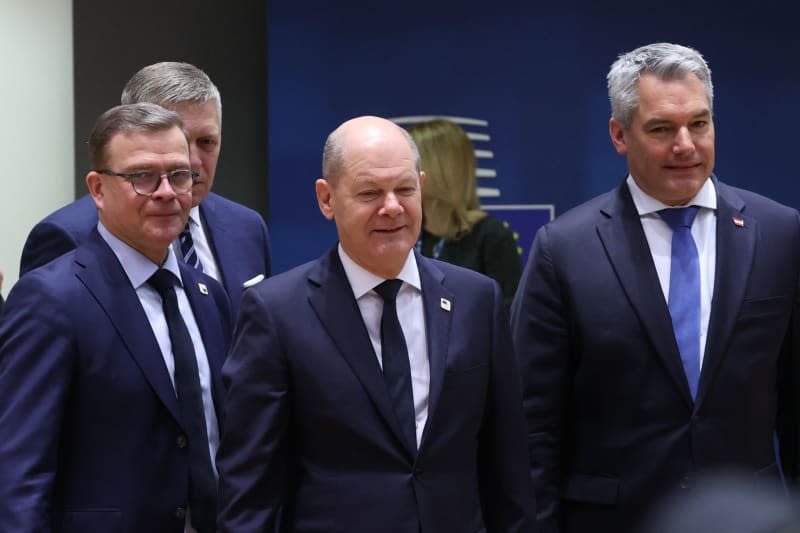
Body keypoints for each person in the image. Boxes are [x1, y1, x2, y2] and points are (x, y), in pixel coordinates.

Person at [510, 42, 800, 533]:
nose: (685, 145)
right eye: (662, 129)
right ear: (619, 135)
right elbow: (532, 427)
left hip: (749, 520)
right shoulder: (564, 250)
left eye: (699, 124)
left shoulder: (780, 234)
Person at [216, 115, 535, 532]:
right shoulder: (276, 312)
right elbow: (249, 487)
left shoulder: (476, 299)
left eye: (405, 189)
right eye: (370, 192)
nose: (392, 206)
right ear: (326, 199)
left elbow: (507, 465)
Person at [0, 103, 232, 532]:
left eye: (178, 175)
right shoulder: (50, 299)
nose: (166, 191)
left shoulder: (208, 296)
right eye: (142, 177)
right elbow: (19, 470)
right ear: (98, 189)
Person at [19, 61, 271, 320]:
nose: (192, 161)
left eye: (207, 142)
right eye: (180, 143)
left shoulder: (246, 226)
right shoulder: (66, 235)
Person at [408, 119, 522, 308]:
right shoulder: (407, 232)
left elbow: (509, 317)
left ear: (441, 170)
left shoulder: (490, 236)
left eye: (411, 161)